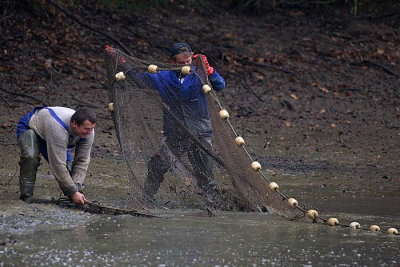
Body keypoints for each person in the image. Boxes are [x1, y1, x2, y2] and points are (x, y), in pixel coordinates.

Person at [137, 42, 226, 201]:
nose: (186, 66)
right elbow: (139, 79)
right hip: (175, 133)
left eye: (188, 62)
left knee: (205, 173)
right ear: (171, 62)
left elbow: (219, 85)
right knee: (157, 166)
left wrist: (210, 70)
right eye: (181, 63)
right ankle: (147, 198)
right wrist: (121, 65)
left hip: (200, 132)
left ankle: (211, 203)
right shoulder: (163, 77)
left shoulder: (200, 74)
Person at [16, 106, 96, 205]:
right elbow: (58, 164)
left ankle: (75, 198)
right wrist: (72, 191)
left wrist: (76, 189)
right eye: (86, 129)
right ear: (74, 124)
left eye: (91, 129)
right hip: (32, 127)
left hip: (54, 134)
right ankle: (25, 199)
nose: (89, 132)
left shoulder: (89, 132)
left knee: (69, 167)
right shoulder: (58, 128)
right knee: (30, 157)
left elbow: (82, 160)